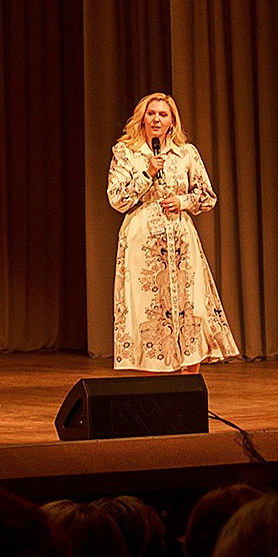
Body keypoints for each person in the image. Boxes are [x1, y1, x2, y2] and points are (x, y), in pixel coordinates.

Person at [108, 91, 240, 371]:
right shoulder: (126, 152)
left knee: (190, 309)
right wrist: (147, 174)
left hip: (181, 243)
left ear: (172, 121)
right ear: (142, 118)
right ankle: (154, 396)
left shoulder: (186, 153)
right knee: (150, 312)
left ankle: (189, 387)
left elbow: (207, 196)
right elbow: (116, 198)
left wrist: (183, 201)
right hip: (144, 245)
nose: (156, 119)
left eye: (163, 114)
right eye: (151, 113)